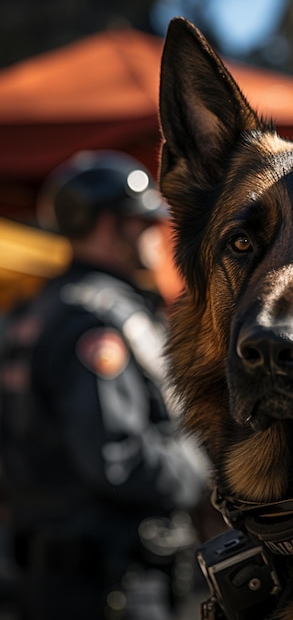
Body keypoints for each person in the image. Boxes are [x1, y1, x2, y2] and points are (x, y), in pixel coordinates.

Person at [0, 150, 208, 620]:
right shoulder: (96, 322)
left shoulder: (46, 308)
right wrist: (205, 461)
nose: (156, 237)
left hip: (67, 572)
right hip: (110, 581)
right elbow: (119, 459)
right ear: (108, 224)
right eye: (143, 223)